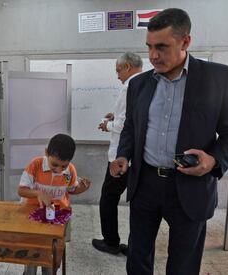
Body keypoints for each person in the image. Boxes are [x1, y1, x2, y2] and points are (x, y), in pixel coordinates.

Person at [110, 8, 228, 275]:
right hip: (145, 183)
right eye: (149, 47)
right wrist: (123, 155)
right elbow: (131, 127)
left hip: (190, 185)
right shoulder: (139, 85)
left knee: (183, 265)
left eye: (162, 47)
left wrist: (213, 160)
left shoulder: (218, 78)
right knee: (137, 258)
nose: (152, 56)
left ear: (185, 42)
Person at [18, 133, 91, 275]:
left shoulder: (70, 171)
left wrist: (81, 189)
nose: (58, 169)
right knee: (32, 253)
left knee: (52, 257)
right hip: (32, 216)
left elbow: (71, 189)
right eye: (54, 164)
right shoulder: (36, 165)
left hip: (56, 219)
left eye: (63, 166)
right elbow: (21, 190)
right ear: (46, 153)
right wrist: (38, 193)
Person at [92, 52, 142, 256]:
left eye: (118, 70)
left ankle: (111, 242)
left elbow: (124, 125)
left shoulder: (129, 86)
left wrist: (108, 125)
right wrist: (115, 115)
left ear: (127, 66)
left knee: (108, 198)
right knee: (139, 203)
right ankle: (137, 247)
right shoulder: (147, 84)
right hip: (140, 157)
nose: (117, 75)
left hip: (121, 157)